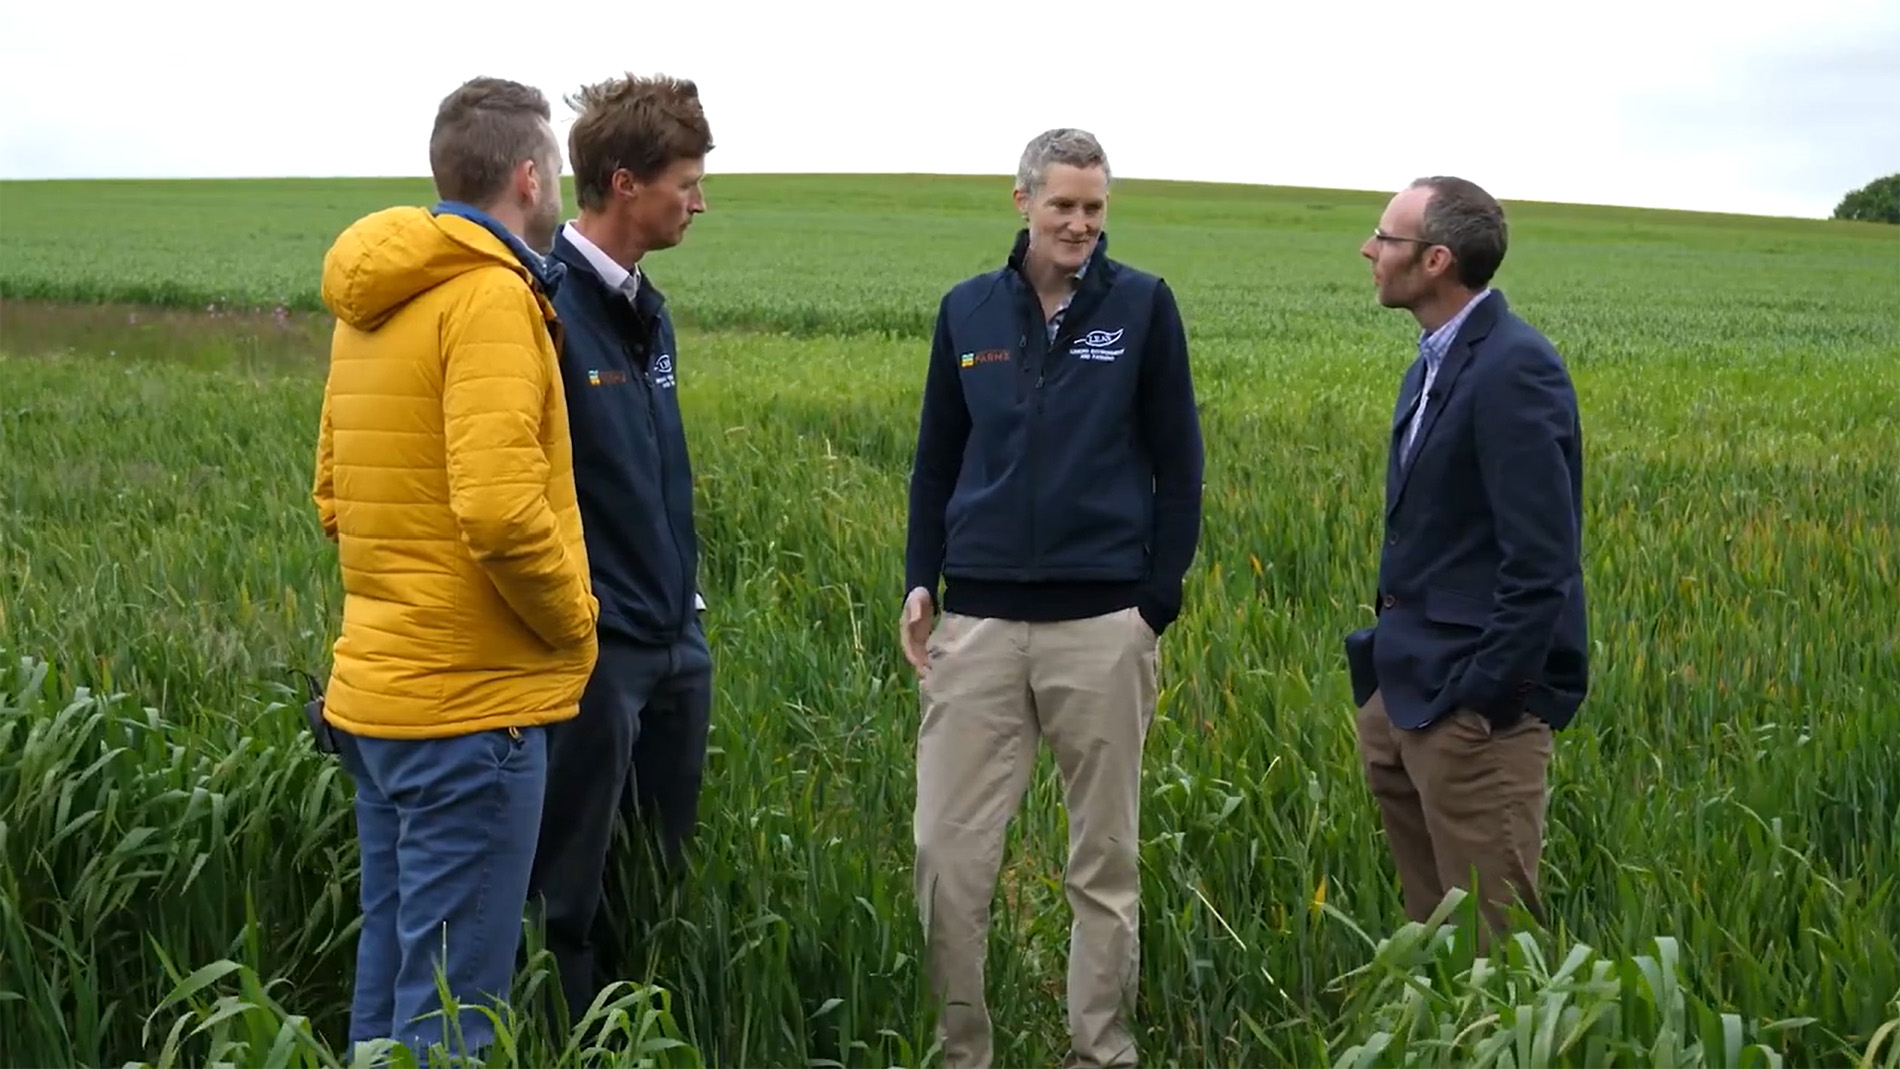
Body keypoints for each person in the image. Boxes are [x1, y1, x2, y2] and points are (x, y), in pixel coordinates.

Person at [900, 127, 1206, 1069]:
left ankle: (1099, 1051)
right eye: (1063, 204)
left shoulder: (1142, 306)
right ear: (1023, 200)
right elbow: (937, 460)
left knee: (1103, 859)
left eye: (1095, 207)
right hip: (980, 623)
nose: (1079, 223)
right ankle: (960, 1051)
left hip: (1103, 626)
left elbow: (1180, 463)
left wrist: (1153, 603)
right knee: (947, 856)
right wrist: (920, 578)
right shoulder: (968, 311)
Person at [310, 76, 598, 1056]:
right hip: (472, 709)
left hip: (379, 697)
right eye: (554, 164)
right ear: (528, 177)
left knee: (392, 981)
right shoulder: (491, 296)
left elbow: (332, 494)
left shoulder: (375, 298)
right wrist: (573, 621)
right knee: (454, 1013)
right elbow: (500, 512)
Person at [1344, 175, 1588, 949]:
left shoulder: (1514, 367)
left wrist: (1486, 701)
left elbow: (1542, 558)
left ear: (1436, 260)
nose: (1369, 250)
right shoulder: (1434, 361)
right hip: (1408, 690)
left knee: (1495, 949)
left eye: (1387, 238)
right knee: (1436, 942)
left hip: (1473, 714)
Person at [523, 72, 716, 1025]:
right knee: (570, 884)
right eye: (687, 182)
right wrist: (583, 619)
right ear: (627, 183)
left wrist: (688, 615)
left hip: (677, 640)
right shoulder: (546, 306)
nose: (699, 202)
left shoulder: (650, 308)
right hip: (596, 652)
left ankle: (646, 1030)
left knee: (657, 874)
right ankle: (566, 1037)